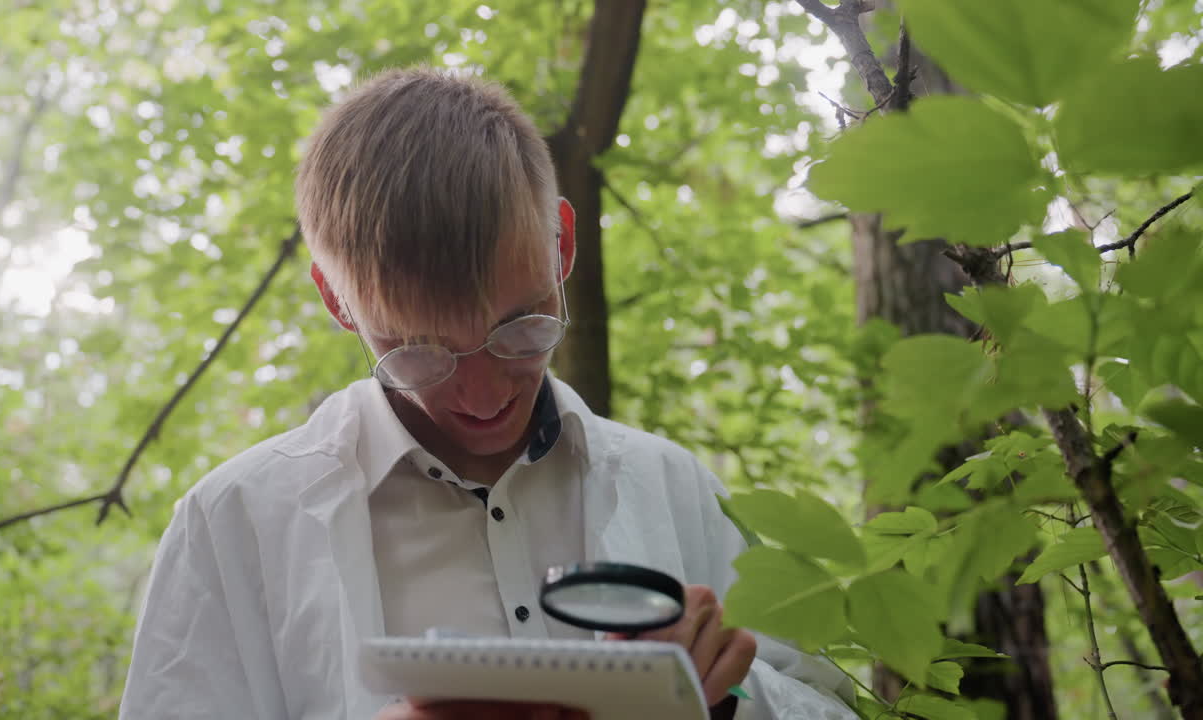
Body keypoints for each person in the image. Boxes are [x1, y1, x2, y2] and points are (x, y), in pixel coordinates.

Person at [118, 67, 855, 720]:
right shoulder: (234, 525)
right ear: (339, 304)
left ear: (561, 246)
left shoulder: (673, 489)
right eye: (417, 353)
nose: (480, 393)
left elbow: (829, 706)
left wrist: (727, 704)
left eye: (520, 329)